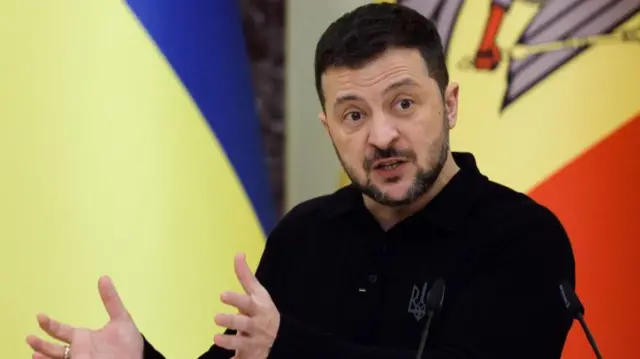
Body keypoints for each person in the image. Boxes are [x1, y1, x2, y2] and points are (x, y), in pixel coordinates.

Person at [26, 3, 576, 359]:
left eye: (403, 104)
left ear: (450, 104)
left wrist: (287, 346)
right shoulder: (307, 233)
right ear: (328, 126)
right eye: (354, 115)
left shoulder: (523, 237)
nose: (381, 136)